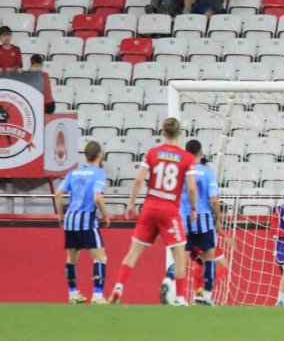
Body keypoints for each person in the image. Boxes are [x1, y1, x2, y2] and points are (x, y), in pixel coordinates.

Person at [108, 118, 198, 305]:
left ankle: (118, 286)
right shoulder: (187, 158)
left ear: (163, 133)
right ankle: (180, 298)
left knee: (132, 253)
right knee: (180, 255)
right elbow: (191, 188)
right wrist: (194, 208)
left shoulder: (153, 153)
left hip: (149, 208)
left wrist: (131, 204)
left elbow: (139, 180)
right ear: (179, 133)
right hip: (169, 211)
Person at [161, 140, 232, 306]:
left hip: (183, 221)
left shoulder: (180, 172)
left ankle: (168, 281)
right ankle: (205, 297)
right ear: (200, 153)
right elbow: (214, 200)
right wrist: (219, 220)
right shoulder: (207, 172)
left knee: (181, 259)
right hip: (204, 221)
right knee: (209, 258)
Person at [54, 141, 109, 305]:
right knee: (100, 258)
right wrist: (106, 216)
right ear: (99, 155)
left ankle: (72, 294)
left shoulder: (74, 173)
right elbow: (97, 197)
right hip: (87, 220)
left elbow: (58, 194)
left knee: (71, 258)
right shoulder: (98, 173)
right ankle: (98, 295)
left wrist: (60, 216)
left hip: (70, 219)